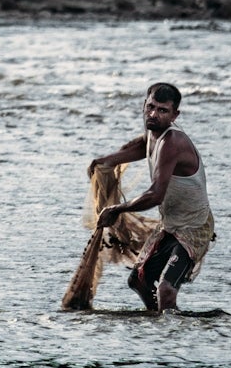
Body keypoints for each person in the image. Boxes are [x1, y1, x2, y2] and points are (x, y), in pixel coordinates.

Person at [88, 81, 214, 312]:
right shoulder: (154, 132)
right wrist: (106, 161)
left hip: (194, 226)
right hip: (170, 224)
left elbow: (155, 195)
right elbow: (142, 146)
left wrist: (117, 209)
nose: (154, 114)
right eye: (151, 107)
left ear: (175, 115)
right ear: (144, 105)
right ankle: (158, 321)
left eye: (162, 110)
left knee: (166, 289)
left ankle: (182, 327)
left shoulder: (172, 142)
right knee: (139, 280)